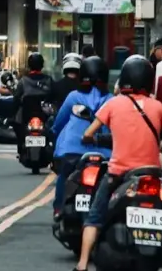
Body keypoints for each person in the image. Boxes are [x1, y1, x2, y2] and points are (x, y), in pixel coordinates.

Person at [73, 55, 162, 271]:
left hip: (118, 174)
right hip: (151, 174)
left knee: (94, 217)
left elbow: (88, 133)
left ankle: (83, 263)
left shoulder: (113, 104)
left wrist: (90, 139)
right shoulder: (158, 106)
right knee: (161, 219)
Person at [50, 55, 111, 216]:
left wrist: (54, 135)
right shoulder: (112, 100)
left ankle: (59, 208)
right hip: (105, 153)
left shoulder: (73, 96)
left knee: (64, 176)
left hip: (73, 151)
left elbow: (59, 123)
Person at [14, 53, 54, 148]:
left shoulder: (23, 81)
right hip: (45, 116)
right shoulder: (49, 80)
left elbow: (16, 98)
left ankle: (21, 146)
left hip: (27, 116)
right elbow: (54, 96)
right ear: (42, 65)